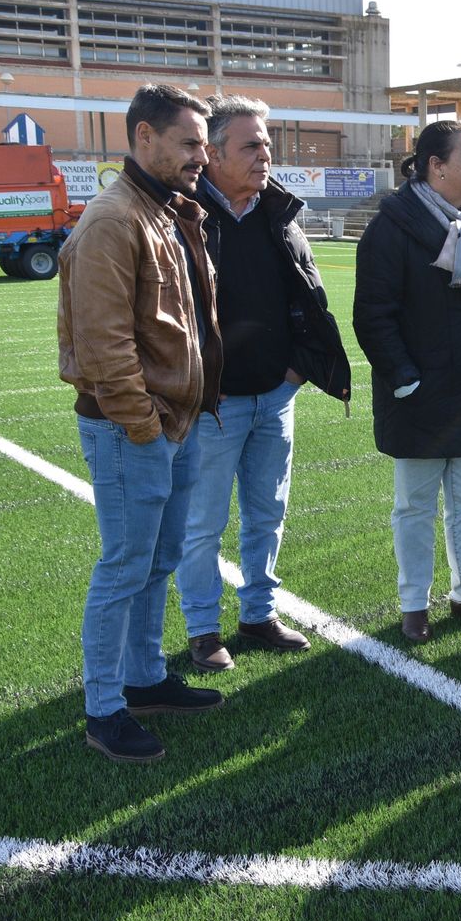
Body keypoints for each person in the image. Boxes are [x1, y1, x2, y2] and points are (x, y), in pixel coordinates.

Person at [57, 83, 225, 763]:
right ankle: (104, 709)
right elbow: (103, 346)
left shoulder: (164, 210)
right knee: (126, 565)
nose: (200, 157)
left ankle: (145, 677)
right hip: (135, 426)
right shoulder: (113, 218)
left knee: (157, 559)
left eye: (204, 144)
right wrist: (145, 426)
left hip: (171, 421)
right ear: (143, 137)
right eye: (188, 142)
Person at [175, 95, 351, 673]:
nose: (264, 156)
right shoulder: (182, 216)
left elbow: (310, 296)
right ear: (215, 154)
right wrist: (201, 382)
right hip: (212, 406)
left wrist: (296, 373)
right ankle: (203, 630)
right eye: (251, 146)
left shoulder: (280, 212)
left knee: (267, 515)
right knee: (202, 526)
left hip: (274, 398)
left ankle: (258, 613)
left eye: (267, 145)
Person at [353, 121, 461, 644]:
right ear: (436, 165)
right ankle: (413, 604)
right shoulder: (391, 227)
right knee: (415, 506)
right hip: (420, 398)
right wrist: (407, 384)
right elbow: (373, 318)